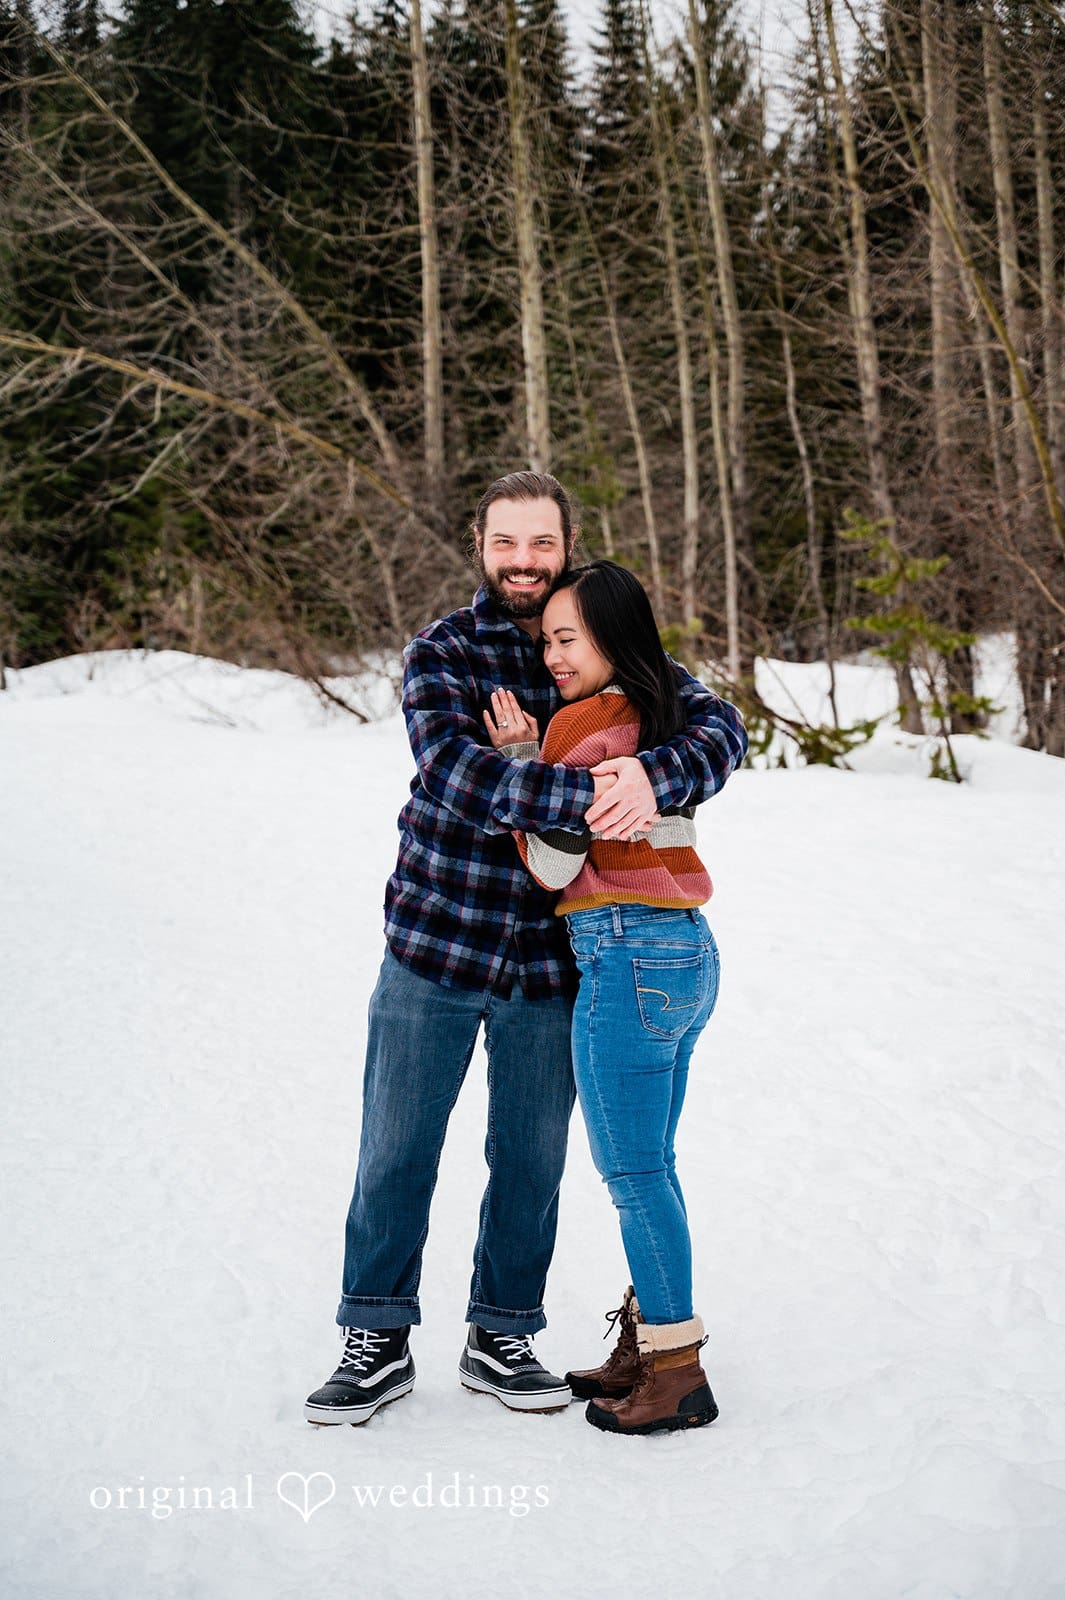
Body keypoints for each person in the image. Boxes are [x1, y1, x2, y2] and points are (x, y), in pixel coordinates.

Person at [304, 474, 747, 1426]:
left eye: (539, 543)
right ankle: (374, 1335)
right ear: (478, 543)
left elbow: (718, 728)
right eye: (505, 543)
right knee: (396, 1146)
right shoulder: (443, 650)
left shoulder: (598, 630)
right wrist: (596, 797)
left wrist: (651, 773)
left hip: (556, 963)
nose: (522, 561)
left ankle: (502, 1330)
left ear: (564, 543)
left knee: (531, 1158)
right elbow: (455, 774)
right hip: (437, 939)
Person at [485, 560, 732, 1435]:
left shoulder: (578, 727)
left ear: (610, 639)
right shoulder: (665, 714)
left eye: (566, 639)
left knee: (634, 1174)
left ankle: (676, 1369)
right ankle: (648, 1334)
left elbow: (551, 864)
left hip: (622, 953)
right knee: (653, 1167)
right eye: (544, 639)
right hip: (687, 954)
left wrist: (521, 760)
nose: (550, 657)